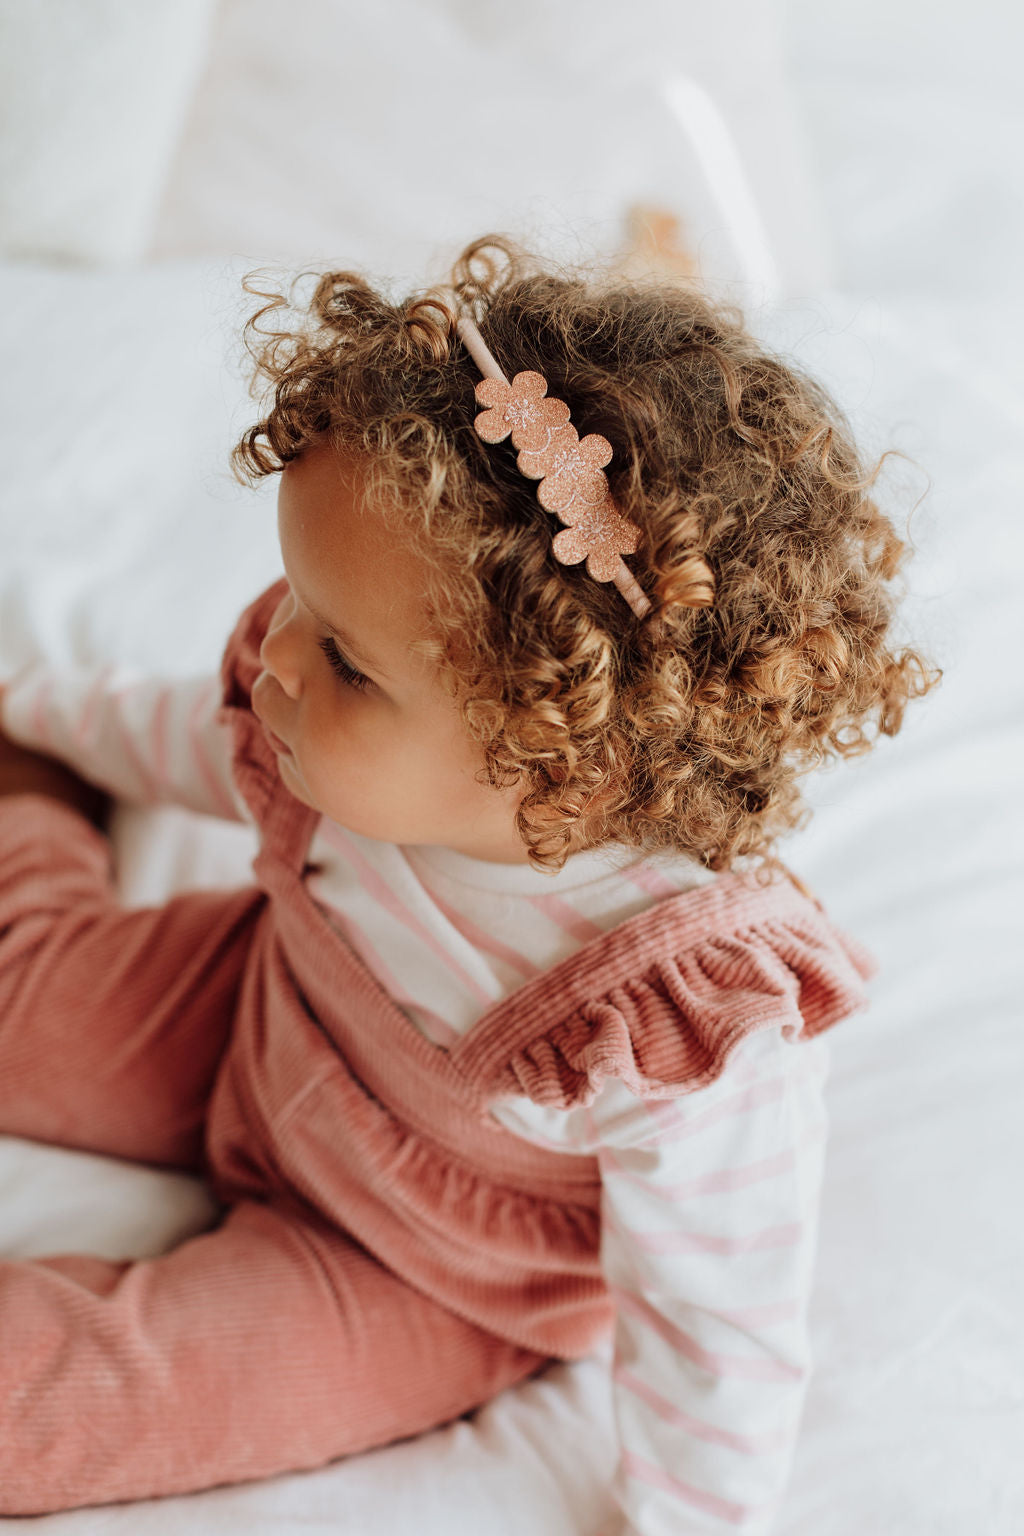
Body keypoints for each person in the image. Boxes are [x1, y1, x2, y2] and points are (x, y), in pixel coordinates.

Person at [0, 237, 936, 1530]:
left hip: (414, 1274)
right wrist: (33, 718)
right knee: (18, 996)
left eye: (345, 659)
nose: (275, 655)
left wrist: (695, 1518)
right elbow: (185, 733)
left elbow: (718, 1320)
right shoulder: (332, 718)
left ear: (555, 750)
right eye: (299, 605)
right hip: (251, 1012)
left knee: (98, 1394)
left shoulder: (677, 1021)